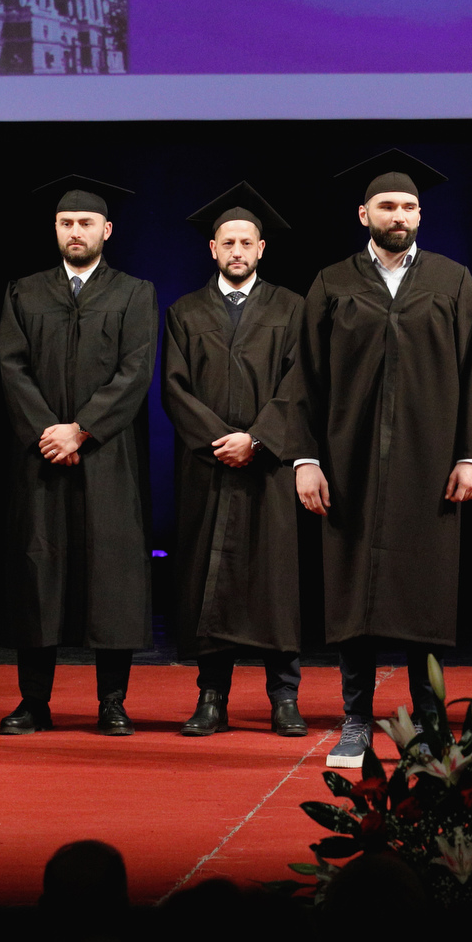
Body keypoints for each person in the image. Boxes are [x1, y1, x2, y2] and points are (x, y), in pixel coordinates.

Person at [277, 150, 472, 770]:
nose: (398, 215)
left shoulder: (452, 280)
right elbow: (305, 378)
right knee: (354, 597)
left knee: (425, 596)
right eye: (387, 206)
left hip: (430, 465)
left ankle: (427, 727)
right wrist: (304, 459)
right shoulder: (332, 283)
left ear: (420, 215)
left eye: (408, 207)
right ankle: (356, 723)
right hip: (348, 464)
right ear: (363, 214)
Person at [0, 176, 157, 736]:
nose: (76, 232)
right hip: (41, 455)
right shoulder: (24, 292)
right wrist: (49, 431)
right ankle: (33, 702)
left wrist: (82, 429)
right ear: (56, 229)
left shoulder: (134, 293)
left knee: (112, 574)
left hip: (109, 457)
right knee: (38, 571)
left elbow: (136, 370)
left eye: (86, 223)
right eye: (67, 223)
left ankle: (112, 702)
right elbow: (11, 367)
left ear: (106, 230)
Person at [160, 182, 308, 738]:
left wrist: (259, 439)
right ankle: (211, 697)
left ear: (261, 248)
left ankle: (284, 697)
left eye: (247, 242)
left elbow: (300, 383)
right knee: (209, 578)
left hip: (269, 466)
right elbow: (173, 388)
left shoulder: (292, 308)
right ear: (213, 249)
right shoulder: (184, 311)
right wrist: (222, 439)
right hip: (208, 466)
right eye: (228, 242)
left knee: (275, 581)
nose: (238, 251)